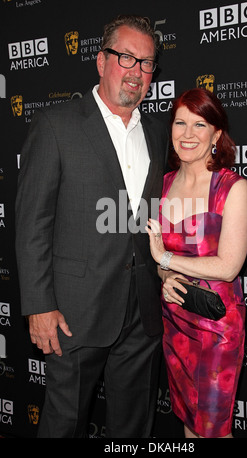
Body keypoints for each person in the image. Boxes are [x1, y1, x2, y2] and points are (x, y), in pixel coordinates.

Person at [15, 15, 169, 438]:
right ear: (101, 62)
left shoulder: (158, 133)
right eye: (126, 58)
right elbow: (32, 225)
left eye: (147, 63)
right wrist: (38, 306)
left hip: (142, 312)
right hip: (73, 313)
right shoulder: (56, 126)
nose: (137, 71)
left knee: (134, 427)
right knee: (64, 425)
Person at [146, 88, 247, 438]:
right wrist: (165, 275)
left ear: (216, 135)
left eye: (200, 124)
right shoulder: (161, 186)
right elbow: (157, 254)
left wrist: (165, 258)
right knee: (191, 422)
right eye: (180, 123)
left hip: (216, 326)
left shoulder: (231, 187)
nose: (187, 134)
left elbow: (228, 267)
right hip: (175, 321)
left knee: (213, 430)